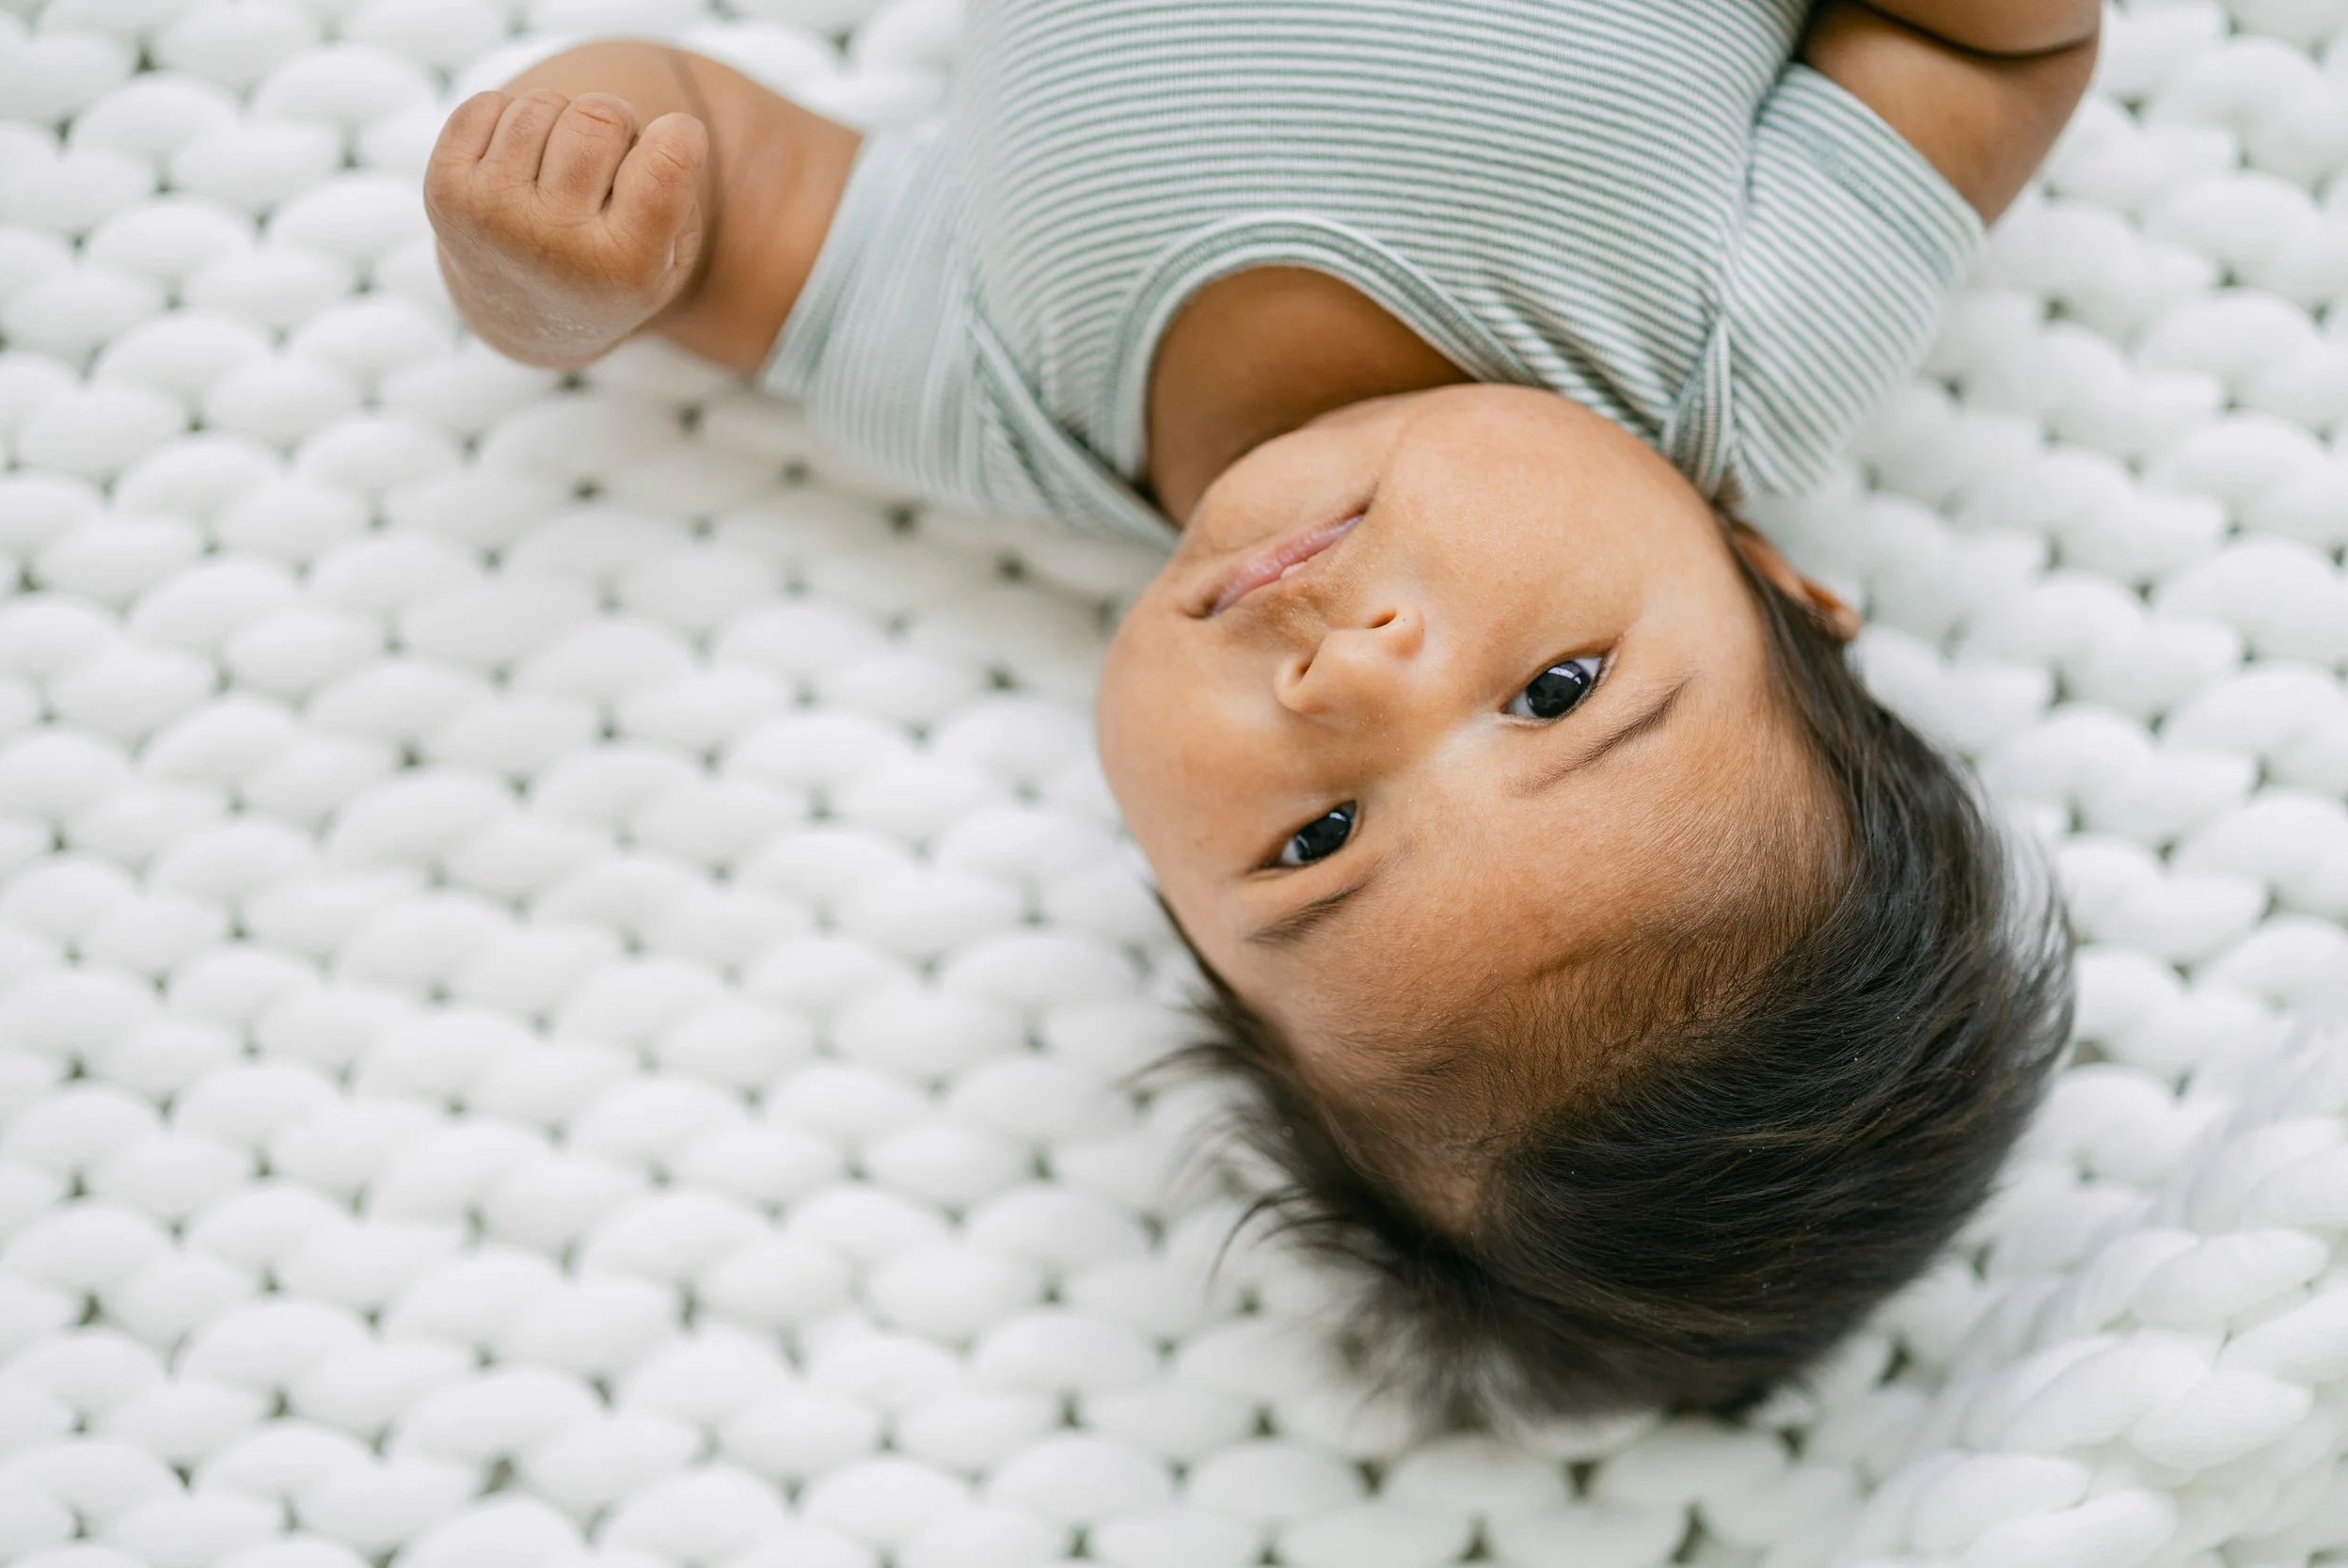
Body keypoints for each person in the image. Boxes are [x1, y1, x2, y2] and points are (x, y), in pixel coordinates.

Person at [424, 0, 2095, 1417]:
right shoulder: (1740, 350)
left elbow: (720, 192)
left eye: (1318, 838)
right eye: (1560, 691)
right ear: (1767, 573)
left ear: (1182, 898)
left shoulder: (1000, 390)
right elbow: (1982, 47)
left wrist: (562, 278)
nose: (1353, 677)